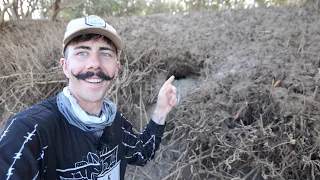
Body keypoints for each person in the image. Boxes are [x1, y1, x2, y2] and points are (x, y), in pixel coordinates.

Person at [0, 15, 177, 180]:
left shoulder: (114, 122)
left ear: (116, 68)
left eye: (105, 53)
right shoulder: (29, 132)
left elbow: (143, 152)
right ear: (65, 66)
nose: (95, 63)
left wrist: (161, 110)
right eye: (82, 52)